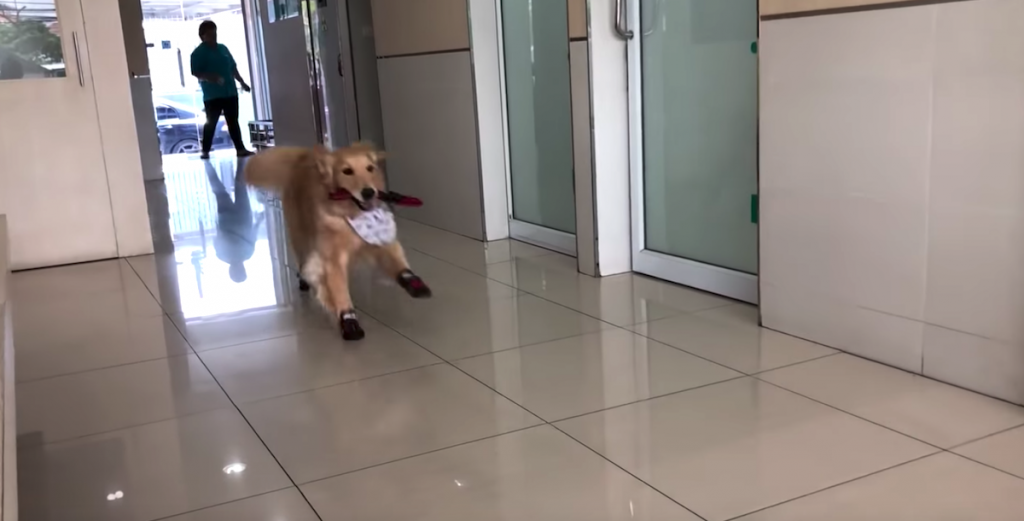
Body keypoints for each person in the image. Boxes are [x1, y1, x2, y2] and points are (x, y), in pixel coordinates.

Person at [190, 20, 253, 159]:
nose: (214, 37)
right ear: (202, 36)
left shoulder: (223, 49)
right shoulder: (198, 53)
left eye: (215, 33)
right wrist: (210, 77)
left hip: (230, 91)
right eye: (210, 34)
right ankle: (205, 150)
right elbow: (196, 72)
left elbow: (232, 67)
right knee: (211, 122)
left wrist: (242, 82)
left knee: (233, 121)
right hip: (213, 95)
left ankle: (240, 149)